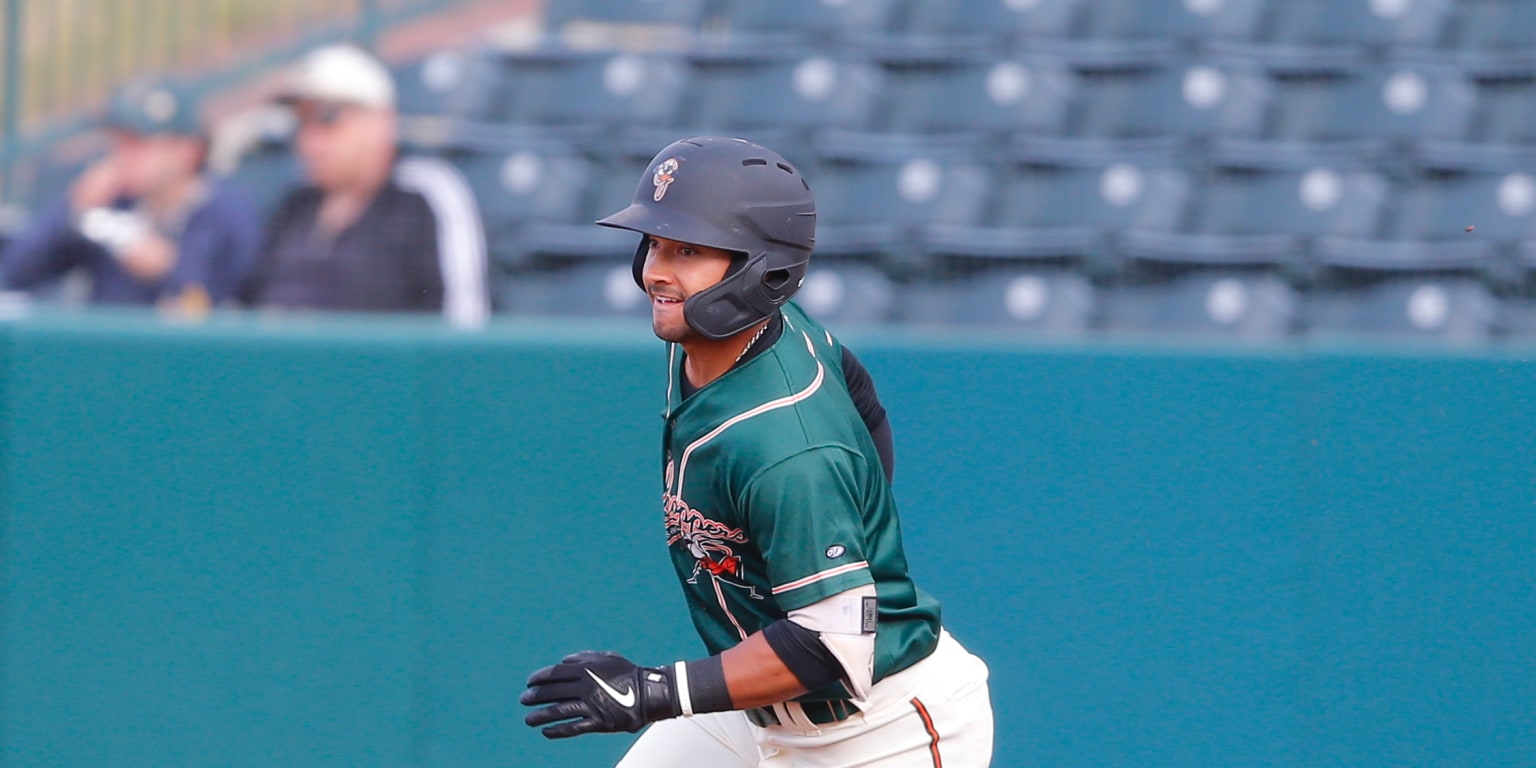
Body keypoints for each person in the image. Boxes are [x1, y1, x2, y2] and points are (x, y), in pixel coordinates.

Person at [520, 137, 994, 766]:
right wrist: (851, 514)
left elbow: (832, 643)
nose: (657, 271)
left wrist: (652, 691)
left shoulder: (789, 449)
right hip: (757, 712)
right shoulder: (723, 334)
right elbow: (858, 391)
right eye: (655, 244)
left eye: (688, 250)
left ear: (758, 271)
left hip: (880, 730)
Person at [239, 44, 486, 319]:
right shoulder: (295, 204)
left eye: (327, 118)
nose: (309, 140)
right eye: (301, 122)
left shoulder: (423, 195)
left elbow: (463, 323)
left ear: (381, 121)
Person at [0, 78, 261, 311]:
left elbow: (240, 308)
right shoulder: (112, 203)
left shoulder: (229, 213)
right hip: (103, 357)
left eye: (137, 143)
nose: (122, 154)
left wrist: (170, 270)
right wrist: (72, 207)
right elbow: (15, 273)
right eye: (118, 142)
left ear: (188, 150)